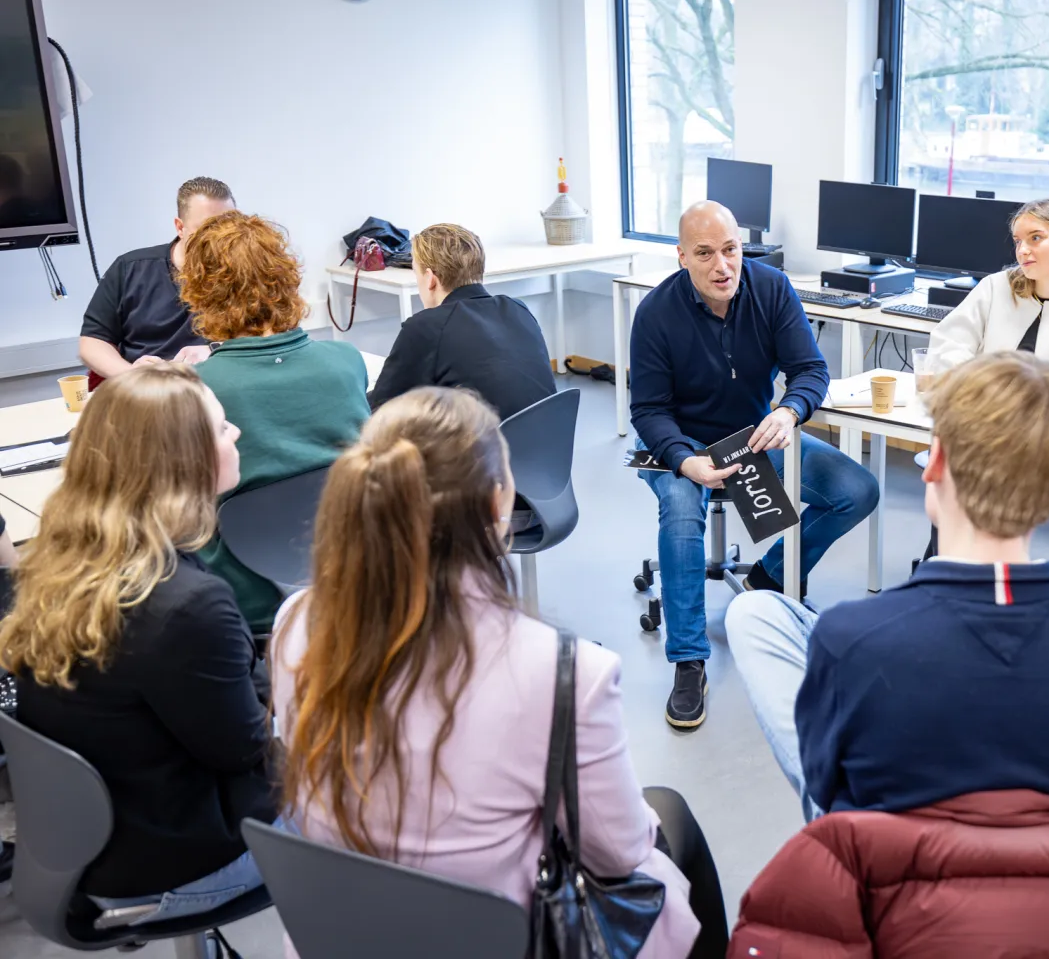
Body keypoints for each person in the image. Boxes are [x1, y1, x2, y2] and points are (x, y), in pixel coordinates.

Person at [272, 388, 705, 959]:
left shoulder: (295, 624)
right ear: (499, 506)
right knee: (672, 828)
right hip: (500, 940)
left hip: (342, 937)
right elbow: (619, 854)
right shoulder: (563, 672)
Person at [726, 352, 1049, 822]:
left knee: (754, 614)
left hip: (892, 855)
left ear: (932, 465)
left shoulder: (853, 635)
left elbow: (831, 782)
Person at [0, 364, 274, 924]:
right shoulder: (187, 604)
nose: (238, 434)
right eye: (223, 429)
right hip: (181, 863)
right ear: (185, 461)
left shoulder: (59, 565)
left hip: (92, 852)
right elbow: (246, 749)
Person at [630, 200, 879, 729]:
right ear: (681, 257)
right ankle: (689, 659)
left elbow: (811, 369)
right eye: (705, 254)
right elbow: (648, 410)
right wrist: (682, 460)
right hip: (679, 439)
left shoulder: (771, 288)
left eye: (730, 250)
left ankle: (769, 577)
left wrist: (790, 411)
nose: (722, 266)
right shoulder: (655, 313)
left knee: (857, 490)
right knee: (679, 512)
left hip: (754, 435)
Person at [179, 211, 370, 634]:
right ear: (286, 278)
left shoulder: (192, 390)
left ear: (201, 291)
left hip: (245, 602)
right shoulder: (346, 362)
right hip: (356, 579)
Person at [929, 196, 1049, 396]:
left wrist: (1019, 395)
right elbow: (949, 342)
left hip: (1048, 417)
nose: (1022, 250)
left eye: (1035, 238)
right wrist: (977, 385)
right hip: (980, 408)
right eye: (1018, 241)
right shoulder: (996, 287)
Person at [366, 223, 557, 418]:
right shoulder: (518, 309)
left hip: (485, 446)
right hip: (548, 442)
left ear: (430, 279)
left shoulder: (426, 326)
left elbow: (381, 410)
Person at [78, 177, 235, 383]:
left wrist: (214, 349)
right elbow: (93, 342)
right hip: (145, 388)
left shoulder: (246, 270)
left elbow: (272, 335)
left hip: (218, 382)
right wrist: (134, 376)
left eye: (229, 227)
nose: (220, 239)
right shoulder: (131, 268)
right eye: (206, 229)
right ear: (180, 227)